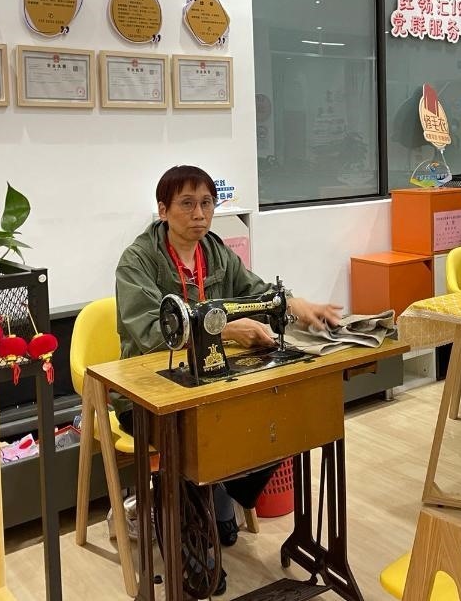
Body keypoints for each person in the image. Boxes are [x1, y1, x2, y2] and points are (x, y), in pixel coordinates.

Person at [114, 165, 343, 594]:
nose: (199, 214)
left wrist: (296, 305)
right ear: (163, 210)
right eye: (186, 204)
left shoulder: (215, 252)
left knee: (280, 417)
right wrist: (226, 330)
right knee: (190, 438)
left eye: (206, 203)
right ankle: (190, 517)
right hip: (150, 393)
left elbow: (256, 292)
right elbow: (150, 332)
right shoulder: (138, 261)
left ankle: (216, 491)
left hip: (211, 382)